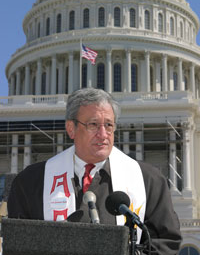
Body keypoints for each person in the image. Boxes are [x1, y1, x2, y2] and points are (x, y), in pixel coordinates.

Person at [8, 87, 182, 254]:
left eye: (108, 125)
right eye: (93, 124)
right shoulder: (30, 182)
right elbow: (16, 244)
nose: (103, 134)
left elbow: (165, 242)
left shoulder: (148, 180)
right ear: (71, 129)